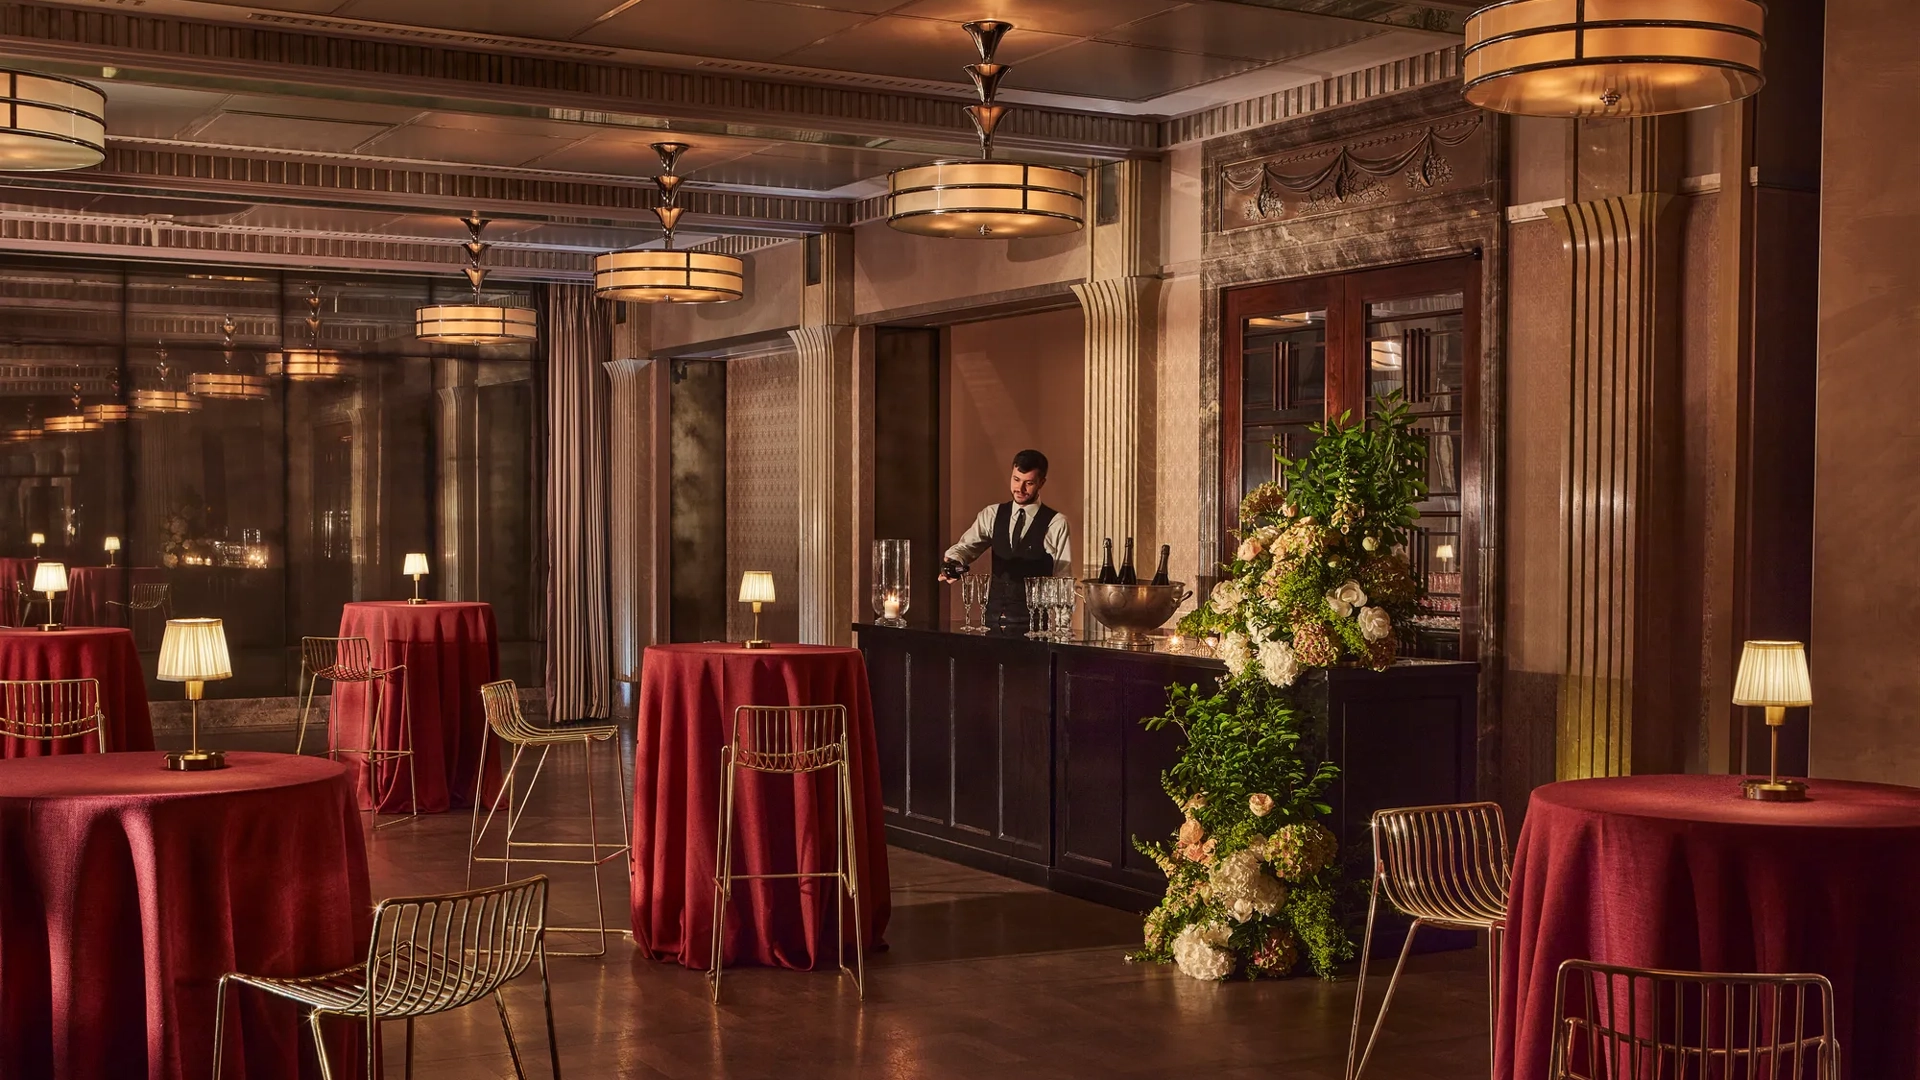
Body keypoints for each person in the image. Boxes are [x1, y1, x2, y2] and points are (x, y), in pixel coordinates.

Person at [941, 449, 1070, 634]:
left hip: (1034, 627)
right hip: (992, 620)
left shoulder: (1056, 523)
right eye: (1016, 479)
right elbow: (966, 547)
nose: (1020, 488)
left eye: (1029, 483)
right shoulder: (992, 514)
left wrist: (1062, 629)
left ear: (1041, 483)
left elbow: (1062, 580)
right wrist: (953, 563)